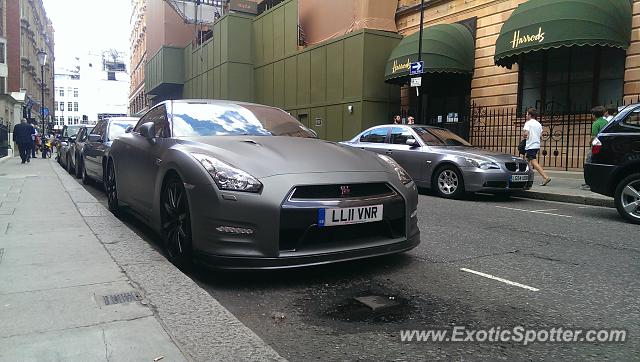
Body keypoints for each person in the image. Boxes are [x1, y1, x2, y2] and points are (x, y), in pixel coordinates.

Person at [521, 107, 551, 186]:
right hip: (536, 145)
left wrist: (524, 135)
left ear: (530, 115)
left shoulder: (528, 123)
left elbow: (525, 134)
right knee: (527, 161)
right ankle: (525, 177)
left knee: (533, 162)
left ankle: (545, 177)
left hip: (531, 145)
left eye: (527, 114)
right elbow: (541, 136)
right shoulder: (539, 124)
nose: (526, 115)